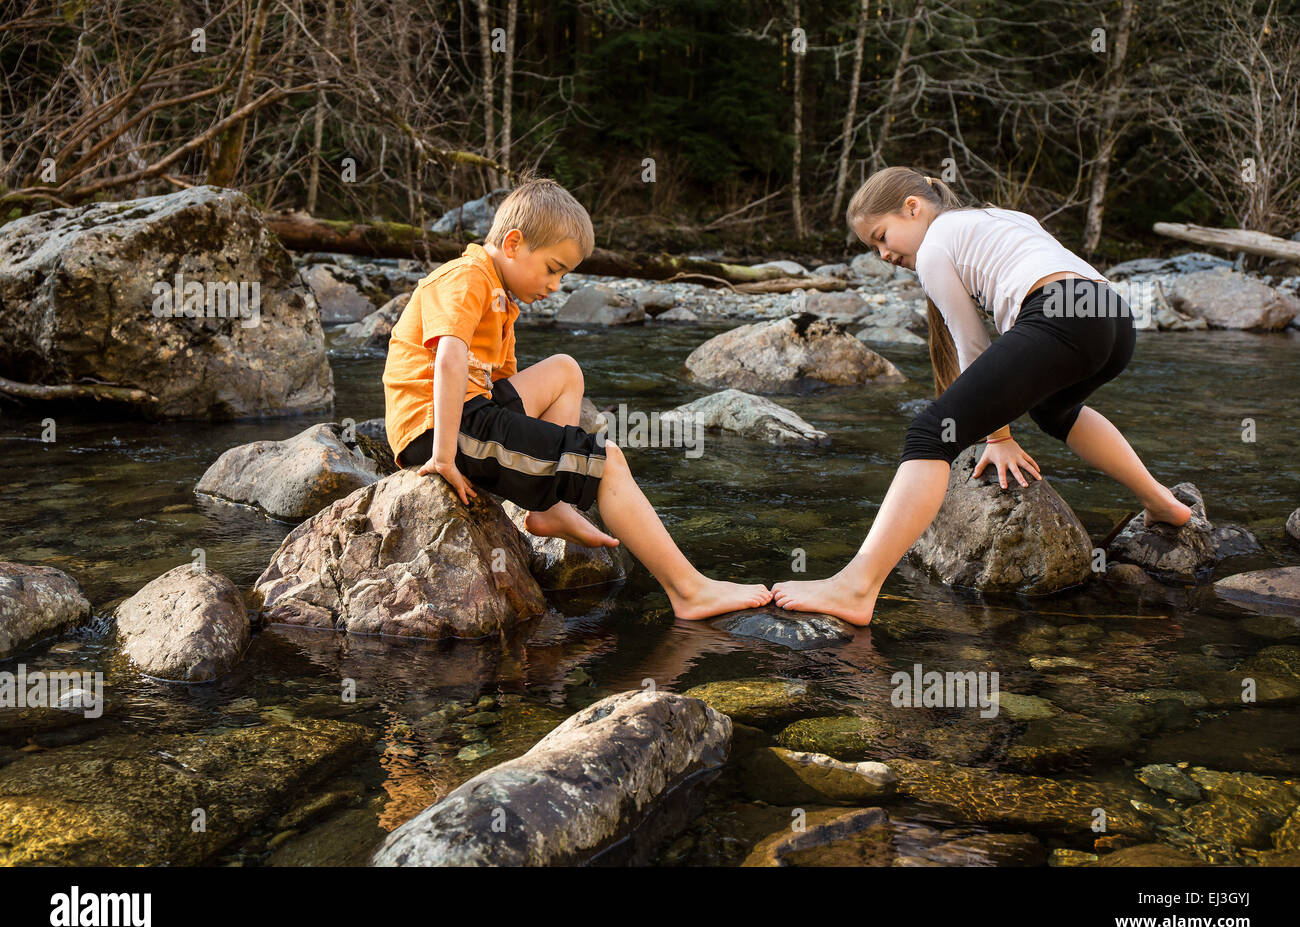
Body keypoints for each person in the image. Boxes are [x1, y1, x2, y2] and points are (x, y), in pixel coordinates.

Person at [772, 166, 1191, 625]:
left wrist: (998, 437)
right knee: (1055, 409)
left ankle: (855, 587)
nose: (883, 253)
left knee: (930, 434)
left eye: (882, 236)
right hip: (1112, 318)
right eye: (873, 248)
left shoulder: (934, 247)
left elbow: (972, 345)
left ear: (912, 208)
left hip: (1062, 314)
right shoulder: (996, 215)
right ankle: (1161, 502)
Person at [383, 177, 771, 619]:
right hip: (441, 427)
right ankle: (689, 592)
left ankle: (550, 507)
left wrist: (543, 450)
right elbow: (448, 361)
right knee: (607, 461)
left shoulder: (501, 299)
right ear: (512, 244)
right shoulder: (465, 277)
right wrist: (444, 457)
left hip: (472, 411)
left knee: (565, 371)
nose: (555, 285)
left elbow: (504, 392)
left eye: (564, 275)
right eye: (552, 268)